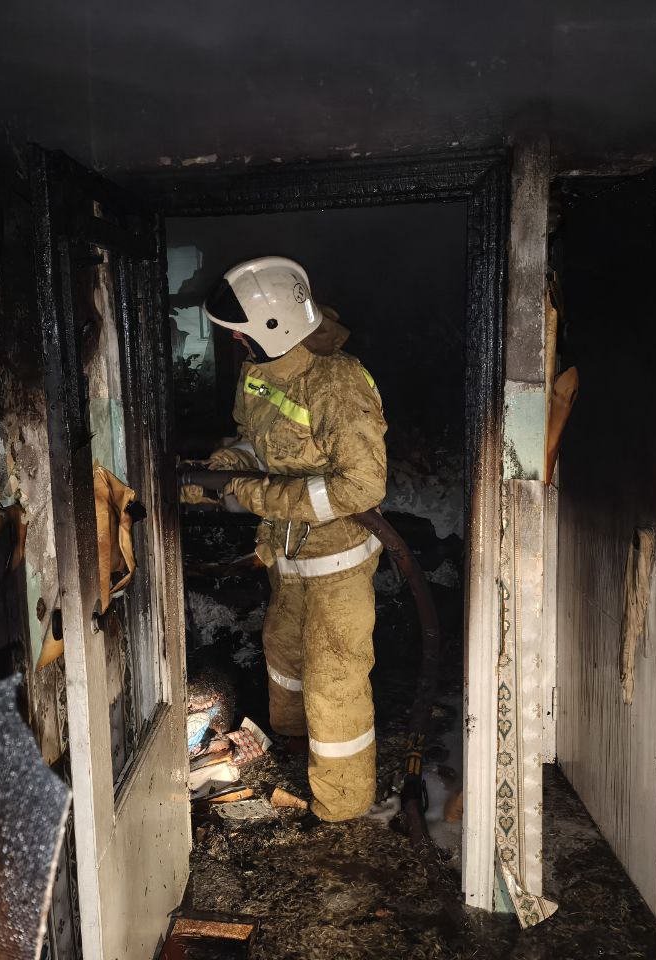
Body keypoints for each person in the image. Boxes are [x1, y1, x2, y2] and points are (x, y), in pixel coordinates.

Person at [197, 256, 387, 822]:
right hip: (288, 554)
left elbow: (361, 485)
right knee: (283, 654)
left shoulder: (337, 383)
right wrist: (227, 466)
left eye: (240, 331)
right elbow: (257, 443)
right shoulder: (259, 372)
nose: (234, 339)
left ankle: (341, 804)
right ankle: (291, 743)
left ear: (273, 326)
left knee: (334, 680)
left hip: (338, 561)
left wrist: (260, 495)